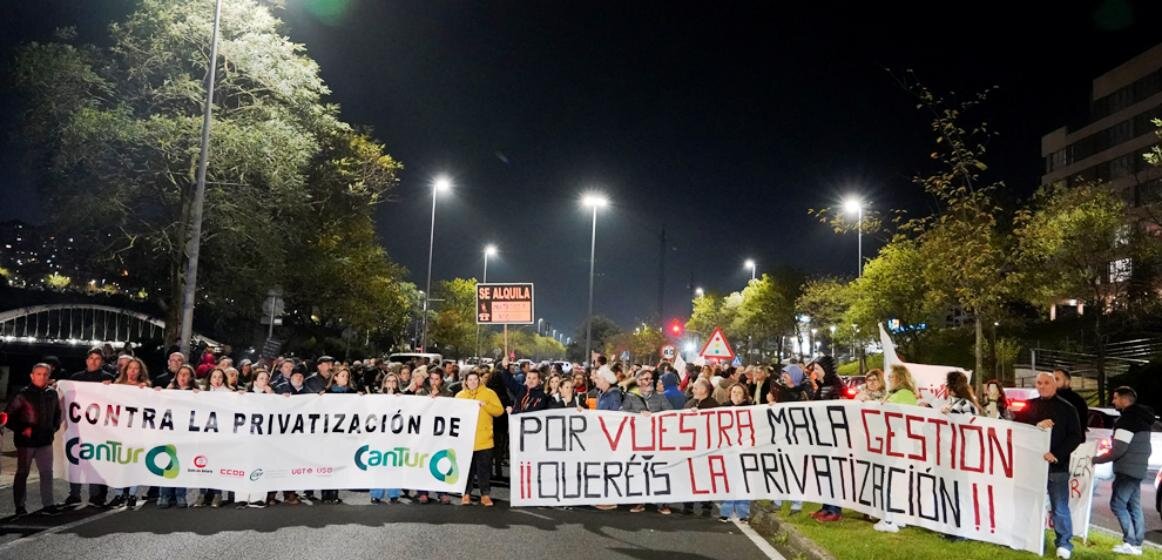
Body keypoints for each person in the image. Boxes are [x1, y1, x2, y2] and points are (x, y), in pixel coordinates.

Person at [1015, 372, 1084, 560]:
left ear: (1054, 385)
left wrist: (1056, 455)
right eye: (1039, 383)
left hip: (1056, 467)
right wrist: (1036, 424)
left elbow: (1076, 436)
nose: (1042, 386)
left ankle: (1064, 544)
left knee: (1059, 507)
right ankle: (1025, 538)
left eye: (1046, 383)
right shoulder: (1029, 406)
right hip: (1031, 466)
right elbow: (1016, 428)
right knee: (1026, 503)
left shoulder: (1068, 408)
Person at [1093, 386, 1153, 556]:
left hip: (1126, 470)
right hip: (1138, 469)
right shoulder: (1143, 419)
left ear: (1125, 400)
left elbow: (1119, 450)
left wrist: (1095, 460)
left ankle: (1130, 542)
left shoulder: (1127, 421)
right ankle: (1137, 545)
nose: (1113, 401)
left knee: (1118, 504)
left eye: (1115, 398)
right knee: (1133, 505)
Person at [5, 363, 62, 516]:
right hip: (26, 443)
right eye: (38, 374)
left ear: (49, 376)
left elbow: (58, 414)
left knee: (46, 473)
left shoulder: (52, 394)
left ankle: (48, 504)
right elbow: (6, 417)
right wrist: (23, 429)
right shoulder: (22, 394)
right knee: (22, 473)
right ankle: (20, 506)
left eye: (45, 374)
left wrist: (53, 428)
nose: (42, 377)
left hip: (45, 441)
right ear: (32, 375)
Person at [871, 365, 922, 533]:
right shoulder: (901, 395)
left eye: (891, 377)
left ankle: (889, 519)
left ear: (899, 378)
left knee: (889, 481)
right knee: (897, 481)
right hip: (899, 444)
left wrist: (881, 405)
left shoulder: (902, 395)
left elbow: (896, 418)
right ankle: (898, 518)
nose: (889, 380)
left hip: (896, 445)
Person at [64, 348, 114, 508]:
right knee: (75, 460)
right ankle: (74, 494)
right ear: (86, 360)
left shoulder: (108, 378)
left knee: (96, 461)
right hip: (77, 427)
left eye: (97, 358)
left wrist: (112, 387)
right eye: (91, 358)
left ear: (102, 362)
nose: (93, 361)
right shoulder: (76, 378)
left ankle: (95, 496)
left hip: (98, 429)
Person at [621, 369, 674, 515]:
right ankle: (640, 501)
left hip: (657, 441)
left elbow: (670, 414)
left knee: (659, 470)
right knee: (640, 471)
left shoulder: (661, 397)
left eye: (650, 379)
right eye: (645, 379)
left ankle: (662, 503)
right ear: (638, 382)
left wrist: (654, 416)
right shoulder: (630, 397)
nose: (649, 381)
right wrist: (638, 415)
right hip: (638, 442)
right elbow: (621, 414)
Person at [106, 358, 151, 508]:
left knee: (134, 462)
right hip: (119, 431)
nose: (132, 371)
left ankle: (132, 494)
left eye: (136, 368)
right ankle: (119, 494)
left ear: (140, 371)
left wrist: (151, 391)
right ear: (125, 370)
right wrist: (104, 388)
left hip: (137, 431)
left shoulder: (144, 387)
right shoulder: (116, 386)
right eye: (130, 368)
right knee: (119, 463)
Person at [455, 371, 504, 507]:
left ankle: (485, 495)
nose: (472, 382)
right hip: (466, 441)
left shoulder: (489, 393)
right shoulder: (460, 396)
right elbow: (453, 414)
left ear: (479, 380)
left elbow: (499, 411)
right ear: (465, 381)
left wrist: (485, 405)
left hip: (484, 440)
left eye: (475, 379)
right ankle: (466, 494)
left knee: (484, 469)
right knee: (467, 470)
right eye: (469, 380)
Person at [158, 364, 197, 508]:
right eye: (181, 374)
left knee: (182, 464)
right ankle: (164, 495)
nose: (183, 377)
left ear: (191, 377)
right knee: (168, 462)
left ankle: (181, 495)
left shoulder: (196, 393)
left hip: (186, 435)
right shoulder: (169, 391)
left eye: (186, 374)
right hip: (170, 433)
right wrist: (160, 392)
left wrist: (199, 396)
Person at [811, 356, 845, 523]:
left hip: (833, 438)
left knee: (833, 473)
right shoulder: (822, 387)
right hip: (821, 436)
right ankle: (825, 507)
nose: (814, 371)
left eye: (817, 368)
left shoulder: (836, 387)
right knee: (824, 473)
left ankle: (834, 509)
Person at [718, 383, 753, 524]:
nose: (736, 395)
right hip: (728, 450)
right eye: (733, 392)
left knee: (744, 481)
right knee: (729, 481)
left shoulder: (751, 408)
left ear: (744, 395)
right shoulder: (723, 408)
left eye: (739, 393)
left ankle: (743, 513)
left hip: (745, 450)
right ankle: (725, 511)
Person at [369, 373, 404, 505]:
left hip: (396, 438)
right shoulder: (377, 397)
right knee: (379, 466)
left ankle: (394, 494)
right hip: (380, 437)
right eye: (388, 381)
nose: (391, 384)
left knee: (394, 466)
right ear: (384, 383)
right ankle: (376, 494)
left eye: (394, 381)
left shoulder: (402, 397)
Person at [1053, 368, 1089, 433]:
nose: (1054, 382)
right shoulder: (1049, 398)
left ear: (1067, 382)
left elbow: (1081, 425)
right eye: (1052, 379)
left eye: (1057, 379)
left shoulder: (1078, 401)